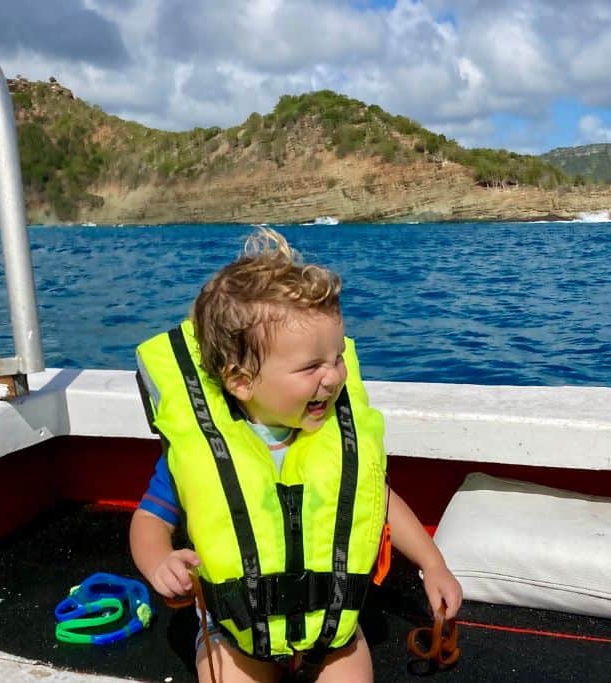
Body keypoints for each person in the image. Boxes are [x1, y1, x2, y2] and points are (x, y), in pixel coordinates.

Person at [130, 228, 462, 682]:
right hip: (237, 632)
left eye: (338, 357)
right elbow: (149, 520)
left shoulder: (337, 437)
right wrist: (159, 562)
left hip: (333, 628)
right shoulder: (205, 449)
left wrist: (432, 563)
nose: (333, 378)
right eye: (311, 367)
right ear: (241, 380)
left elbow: (379, 500)